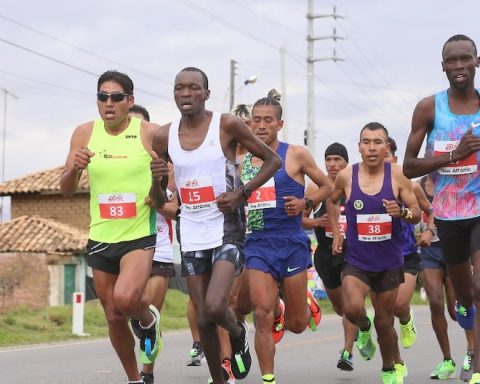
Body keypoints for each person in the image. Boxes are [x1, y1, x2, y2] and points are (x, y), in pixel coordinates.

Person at [151, 67, 282, 384]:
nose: (185, 93)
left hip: (226, 230)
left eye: (193, 88)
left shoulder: (226, 125)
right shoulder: (163, 136)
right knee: (205, 319)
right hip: (191, 232)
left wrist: (241, 193)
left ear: (206, 94)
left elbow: (272, 160)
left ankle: (237, 333)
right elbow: (157, 198)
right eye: (179, 87)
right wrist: (157, 181)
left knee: (214, 306)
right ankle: (220, 379)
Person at [60, 70, 164, 384]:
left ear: (129, 101)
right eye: (103, 96)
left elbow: (170, 177)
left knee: (126, 297)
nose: (109, 103)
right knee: (114, 316)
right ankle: (135, 379)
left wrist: (159, 188)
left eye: (117, 97)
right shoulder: (83, 133)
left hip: (137, 234)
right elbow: (66, 189)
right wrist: (74, 169)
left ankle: (148, 319)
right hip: (101, 234)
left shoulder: (149, 132)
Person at [403, 34, 480, 384]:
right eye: (452, 60)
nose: (460, 65)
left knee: (479, 290)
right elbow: (408, 166)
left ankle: (476, 364)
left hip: (479, 209)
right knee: (464, 295)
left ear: (477, 62)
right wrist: (454, 155)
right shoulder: (429, 108)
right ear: (443, 66)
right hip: (448, 215)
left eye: (466, 59)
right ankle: (469, 314)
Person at [242, 95, 334, 384]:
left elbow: (327, 185)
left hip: (291, 243)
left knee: (296, 325)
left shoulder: (295, 154)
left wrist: (305, 203)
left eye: (268, 120)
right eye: (256, 119)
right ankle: (268, 377)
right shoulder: (240, 157)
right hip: (257, 244)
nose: (261, 125)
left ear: (280, 124)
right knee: (261, 315)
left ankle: (300, 306)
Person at [328, 122, 421, 384]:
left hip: (389, 262)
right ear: (359, 147)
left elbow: (416, 213)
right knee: (352, 308)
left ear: (386, 146)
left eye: (377, 142)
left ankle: (389, 367)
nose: (371, 147)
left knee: (384, 321)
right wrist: (337, 232)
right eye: (366, 142)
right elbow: (331, 200)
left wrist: (401, 212)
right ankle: (363, 327)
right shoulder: (347, 176)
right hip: (357, 260)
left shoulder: (398, 175)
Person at [128, 104, 179, 384]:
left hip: (158, 246)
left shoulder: (168, 167)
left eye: (139, 127)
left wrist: (157, 199)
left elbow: (170, 204)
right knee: (132, 311)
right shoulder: (116, 164)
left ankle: (146, 374)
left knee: (151, 313)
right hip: (124, 246)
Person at [302, 142, 357, 372]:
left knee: (351, 301)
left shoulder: (355, 184)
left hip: (352, 254)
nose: (333, 164)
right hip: (325, 255)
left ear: (346, 161)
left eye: (338, 160)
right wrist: (316, 222)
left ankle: (347, 352)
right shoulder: (315, 187)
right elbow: (299, 218)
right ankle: (361, 322)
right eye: (329, 159)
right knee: (340, 306)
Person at [384, 137, 434, 381]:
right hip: (377, 258)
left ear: (394, 159)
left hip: (406, 255)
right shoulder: (362, 185)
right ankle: (397, 362)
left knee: (398, 306)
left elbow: (430, 211)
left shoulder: (410, 186)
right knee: (383, 317)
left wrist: (428, 230)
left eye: (386, 157)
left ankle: (406, 319)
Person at [417, 175, 475, 381]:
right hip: (430, 251)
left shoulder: (458, 181)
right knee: (434, 301)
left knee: (456, 308)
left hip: (455, 250)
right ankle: (447, 360)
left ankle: (472, 350)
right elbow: (412, 214)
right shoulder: (418, 187)